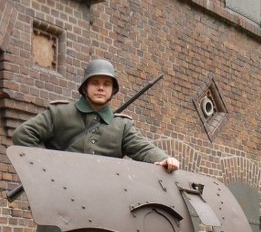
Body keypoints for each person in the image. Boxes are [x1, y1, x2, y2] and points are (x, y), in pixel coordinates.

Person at [12, 58, 181, 173]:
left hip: (104, 200)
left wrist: (164, 159)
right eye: (95, 83)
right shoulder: (60, 113)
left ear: (112, 90)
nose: (101, 88)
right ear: (85, 87)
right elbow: (23, 135)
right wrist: (45, 169)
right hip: (60, 195)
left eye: (106, 84)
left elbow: (143, 149)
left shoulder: (122, 126)